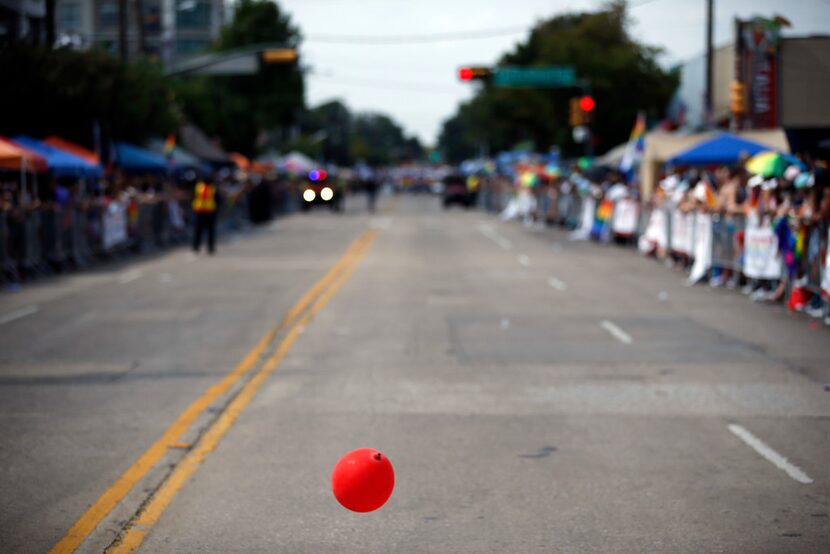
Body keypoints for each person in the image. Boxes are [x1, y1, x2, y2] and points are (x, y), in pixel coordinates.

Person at [192, 177, 218, 254]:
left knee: (199, 230)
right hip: (208, 211)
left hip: (201, 211)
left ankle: (196, 246)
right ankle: (210, 247)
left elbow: (193, 197)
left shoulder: (198, 187)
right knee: (209, 230)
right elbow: (218, 199)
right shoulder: (213, 188)